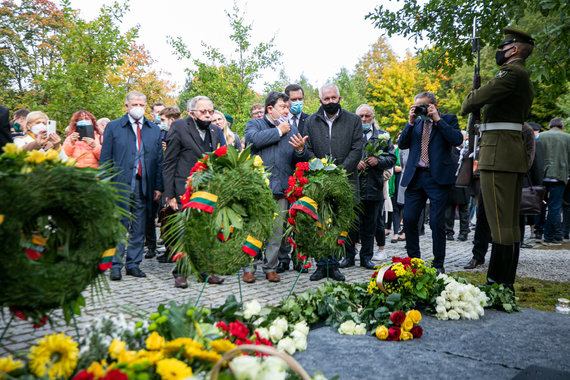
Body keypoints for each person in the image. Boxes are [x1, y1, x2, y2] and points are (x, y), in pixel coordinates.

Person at [461, 27, 535, 291]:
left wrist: (471, 97)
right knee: (510, 223)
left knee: (498, 223)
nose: (500, 51)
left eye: (504, 46)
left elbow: (474, 100)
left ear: (514, 49)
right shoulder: (523, 76)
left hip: (499, 154)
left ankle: (497, 283)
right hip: (509, 153)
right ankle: (505, 282)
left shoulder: (511, 73)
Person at [298, 83, 363, 282]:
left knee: (338, 224)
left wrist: (340, 172)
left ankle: (334, 265)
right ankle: (320, 265)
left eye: (333, 98)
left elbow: (357, 148)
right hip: (319, 182)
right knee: (320, 222)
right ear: (320, 101)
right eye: (326, 99)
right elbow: (306, 148)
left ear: (339, 98)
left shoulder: (353, 120)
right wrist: (321, 169)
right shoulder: (310, 121)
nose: (330, 102)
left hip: (345, 180)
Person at [244, 91, 310, 283]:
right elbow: (253, 141)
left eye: (288, 107)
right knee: (255, 230)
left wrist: (300, 150)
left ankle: (270, 267)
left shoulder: (292, 128)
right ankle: (248, 267)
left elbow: (300, 158)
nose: (287, 110)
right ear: (270, 108)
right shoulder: (255, 124)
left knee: (276, 232)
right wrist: (279, 131)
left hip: (282, 187)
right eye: (283, 107)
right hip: (259, 188)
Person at [162, 95, 226, 288]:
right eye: (203, 111)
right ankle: (180, 272)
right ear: (191, 113)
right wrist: (170, 195)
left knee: (206, 232)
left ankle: (205, 270)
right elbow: (169, 162)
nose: (207, 115)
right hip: (184, 189)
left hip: (207, 190)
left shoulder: (215, 130)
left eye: (210, 111)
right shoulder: (180, 127)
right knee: (184, 233)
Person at [100, 91, 164, 281]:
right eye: (134, 104)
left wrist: (158, 186)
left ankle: (133, 264)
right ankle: (116, 265)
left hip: (144, 184)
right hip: (120, 184)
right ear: (126, 106)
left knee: (139, 226)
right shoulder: (113, 127)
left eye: (142, 105)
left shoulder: (153, 129)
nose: (138, 108)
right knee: (119, 226)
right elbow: (105, 159)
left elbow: (159, 160)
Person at [399, 91, 463, 274]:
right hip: (415, 176)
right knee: (410, 219)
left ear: (434, 105)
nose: (421, 109)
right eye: (418, 106)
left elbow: (457, 140)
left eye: (424, 106)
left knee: (436, 222)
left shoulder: (448, 119)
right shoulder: (416, 123)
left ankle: (438, 264)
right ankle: (414, 261)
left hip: (438, 178)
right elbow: (402, 144)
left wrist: (437, 120)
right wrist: (410, 122)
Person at [340, 104, 396, 270]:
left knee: (370, 225)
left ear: (373, 117)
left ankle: (366, 257)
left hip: (373, 186)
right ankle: (348, 256)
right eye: (361, 117)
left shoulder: (383, 136)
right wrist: (353, 163)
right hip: (352, 186)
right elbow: (340, 156)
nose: (364, 119)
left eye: (367, 116)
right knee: (350, 225)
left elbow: (392, 158)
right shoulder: (349, 135)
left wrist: (379, 162)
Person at [276, 84, 310, 272]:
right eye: (293, 100)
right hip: (283, 176)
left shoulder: (309, 120)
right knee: (282, 221)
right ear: (286, 101)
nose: (297, 103)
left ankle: (300, 259)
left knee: (300, 220)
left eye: (300, 99)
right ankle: (283, 259)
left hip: (303, 177)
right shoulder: (279, 120)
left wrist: (302, 151)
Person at [536, 117, 570, 245]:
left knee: (539, 204)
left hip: (541, 175)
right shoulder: (567, 138)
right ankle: (550, 236)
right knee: (554, 207)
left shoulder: (540, 136)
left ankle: (538, 232)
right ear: (561, 127)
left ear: (549, 126)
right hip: (559, 175)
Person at [144, 102, 167, 259]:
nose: (159, 115)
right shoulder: (148, 129)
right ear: (152, 114)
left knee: (166, 213)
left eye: (162, 112)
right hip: (153, 175)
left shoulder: (172, 129)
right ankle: (150, 245)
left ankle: (168, 245)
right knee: (150, 213)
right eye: (157, 112)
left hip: (169, 175)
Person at [445, 132, 470, 241]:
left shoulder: (468, 151)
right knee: (449, 210)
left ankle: (463, 232)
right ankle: (449, 232)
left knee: (464, 210)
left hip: (464, 184)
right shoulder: (450, 150)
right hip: (452, 183)